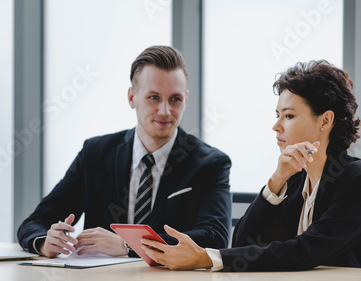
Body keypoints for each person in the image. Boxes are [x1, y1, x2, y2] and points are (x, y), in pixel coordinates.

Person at [141, 60, 361, 271]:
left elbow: (305, 251)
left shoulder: (359, 182)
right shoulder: (295, 177)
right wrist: (276, 181)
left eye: (289, 116)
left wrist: (207, 258)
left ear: (325, 120)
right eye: (277, 115)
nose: (276, 126)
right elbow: (243, 242)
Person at [17, 45, 232, 258]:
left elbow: (215, 237)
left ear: (185, 99)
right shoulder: (95, 154)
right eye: (154, 97)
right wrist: (45, 242)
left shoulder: (210, 164)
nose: (165, 111)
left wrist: (129, 245)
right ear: (132, 97)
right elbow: (34, 223)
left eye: (175, 99)